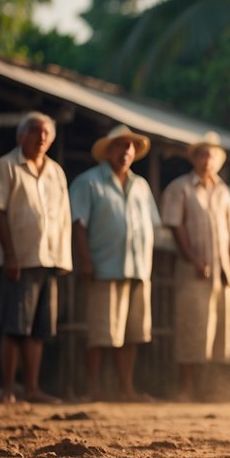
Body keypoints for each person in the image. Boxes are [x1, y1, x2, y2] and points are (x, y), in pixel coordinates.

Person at [70, 124, 161, 402]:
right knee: (100, 332)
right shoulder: (89, 182)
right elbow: (78, 225)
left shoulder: (141, 186)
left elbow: (153, 226)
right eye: (120, 146)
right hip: (103, 265)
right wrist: (85, 261)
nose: (126, 151)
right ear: (108, 151)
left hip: (137, 267)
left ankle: (125, 389)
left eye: (130, 147)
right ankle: (93, 389)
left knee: (132, 333)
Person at [0, 112, 73, 404]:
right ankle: (8, 389)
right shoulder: (6, 167)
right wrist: (11, 254)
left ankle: (31, 388)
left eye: (46, 133)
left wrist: (63, 257)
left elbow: (63, 216)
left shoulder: (56, 172)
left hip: (50, 257)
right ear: (21, 136)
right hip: (21, 257)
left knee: (38, 330)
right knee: (15, 326)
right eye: (34, 131)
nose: (41, 137)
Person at [160, 137, 230, 401]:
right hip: (192, 269)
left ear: (218, 160)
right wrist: (193, 258)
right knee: (191, 327)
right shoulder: (180, 188)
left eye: (212, 156)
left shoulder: (223, 190)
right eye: (203, 155)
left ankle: (209, 389)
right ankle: (186, 388)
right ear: (194, 158)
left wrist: (227, 263)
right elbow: (175, 226)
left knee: (217, 332)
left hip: (220, 272)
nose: (208, 160)